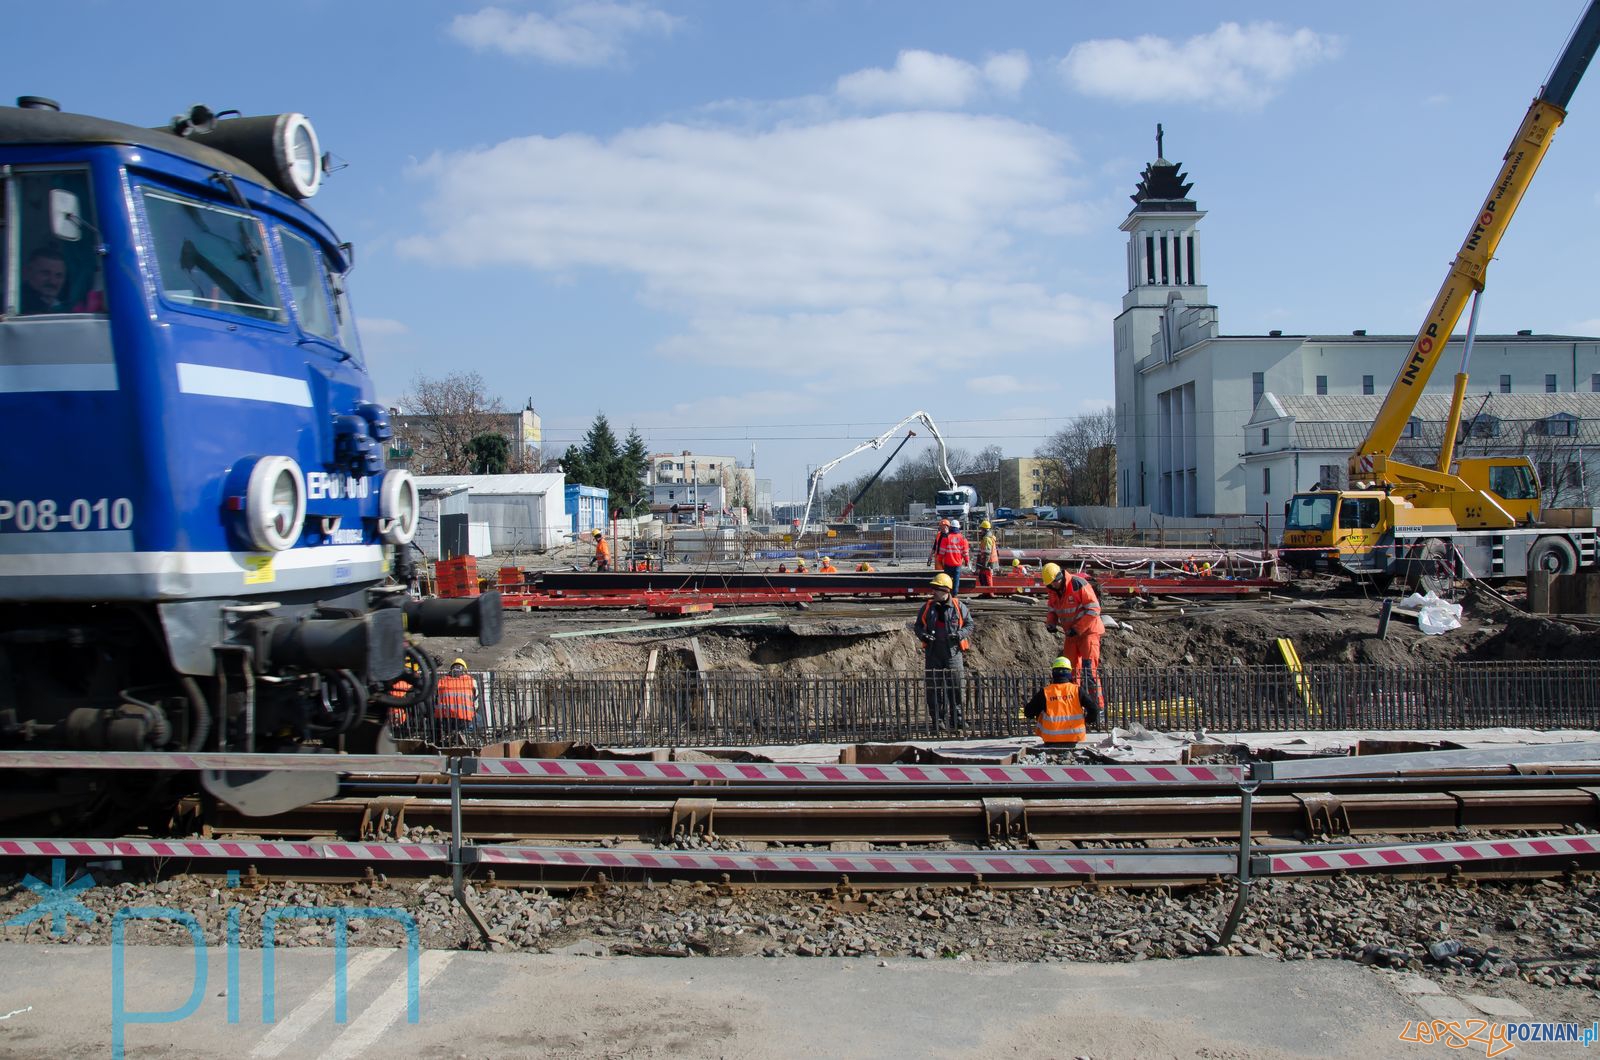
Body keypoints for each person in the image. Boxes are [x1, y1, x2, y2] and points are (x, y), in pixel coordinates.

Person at [1039, 562, 1105, 713]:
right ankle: (1074, 705)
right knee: (1071, 673)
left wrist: (1078, 628)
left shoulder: (1077, 584)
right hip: (1071, 635)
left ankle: (1098, 707)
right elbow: (1052, 609)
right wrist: (1051, 623)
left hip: (1088, 633)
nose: (1051, 587)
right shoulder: (1053, 589)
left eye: (1053, 583)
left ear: (1059, 578)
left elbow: (1094, 609)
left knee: (1089, 671)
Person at [912, 572, 974, 732]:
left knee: (956, 687)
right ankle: (938, 720)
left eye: (937, 589)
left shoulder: (959, 607)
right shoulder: (927, 607)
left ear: (946, 590)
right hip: (933, 653)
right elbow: (918, 626)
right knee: (934, 689)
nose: (933, 592)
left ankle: (958, 720)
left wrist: (959, 635)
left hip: (953, 652)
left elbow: (969, 625)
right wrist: (923, 635)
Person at [1021, 657, 1101, 746]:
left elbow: (1028, 712)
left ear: (1053, 673)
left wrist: (1038, 712)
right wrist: (1086, 720)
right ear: (1069, 673)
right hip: (1074, 737)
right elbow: (1094, 709)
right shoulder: (1077, 690)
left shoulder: (1045, 692)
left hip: (1050, 738)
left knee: (1042, 714)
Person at [434, 658, 479, 739]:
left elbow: (436, 701)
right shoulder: (472, 681)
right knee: (478, 718)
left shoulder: (441, 681)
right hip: (464, 719)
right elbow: (475, 704)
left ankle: (446, 735)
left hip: (444, 719)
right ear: (465, 670)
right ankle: (468, 736)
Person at [20, 246, 71, 315]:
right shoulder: (15, 304)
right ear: (28, 272)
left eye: (58, 275)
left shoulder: (65, 307)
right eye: (45, 273)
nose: (53, 281)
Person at [933, 519, 971, 596]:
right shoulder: (963, 538)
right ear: (958, 528)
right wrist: (967, 561)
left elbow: (942, 552)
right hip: (957, 564)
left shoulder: (946, 537)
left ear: (950, 527)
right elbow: (965, 552)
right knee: (956, 581)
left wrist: (939, 560)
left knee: (947, 580)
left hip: (948, 563)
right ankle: (955, 595)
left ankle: (947, 594)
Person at [975, 519, 999, 588]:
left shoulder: (987, 539)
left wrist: (984, 565)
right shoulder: (986, 538)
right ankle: (985, 593)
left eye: (982, 529)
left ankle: (989, 593)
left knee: (987, 577)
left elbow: (987, 553)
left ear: (985, 530)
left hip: (988, 561)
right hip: (987, 561)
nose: (981, 531)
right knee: (983, 576)